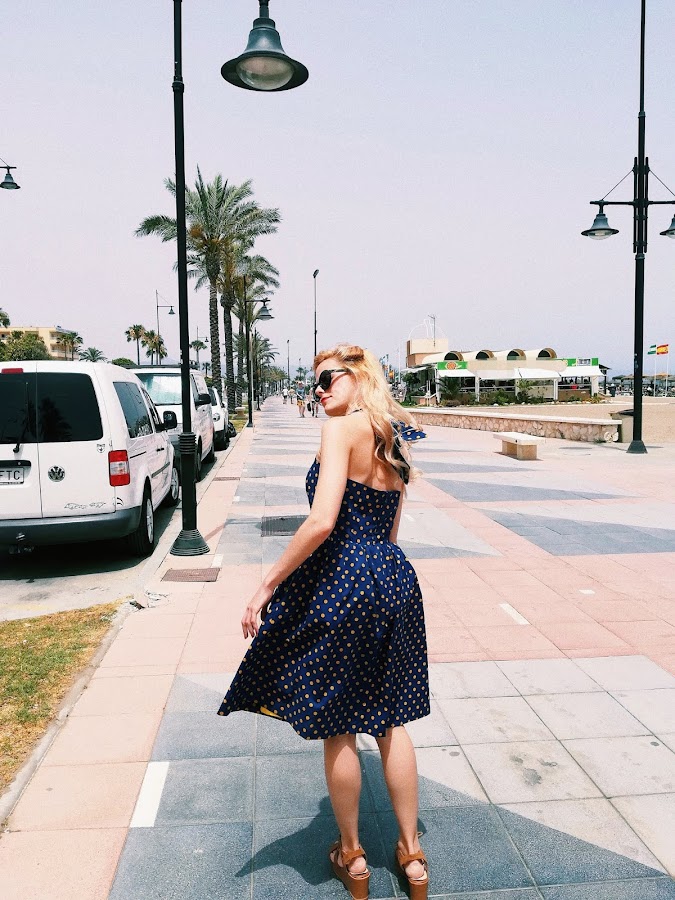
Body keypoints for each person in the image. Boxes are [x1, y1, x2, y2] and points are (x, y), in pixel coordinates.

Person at [218, 343, 429, 899]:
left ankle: (353, 856)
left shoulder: (340, 430)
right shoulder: (394, 434)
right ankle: (412, 856)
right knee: (392, 722)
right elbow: (391, 531)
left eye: (328, 377)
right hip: (394, 578)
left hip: (345, 582)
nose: (318, 389)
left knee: (340, 723)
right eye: (315, 381)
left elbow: (321, 522)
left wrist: (267, 585)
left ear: (359, 375)